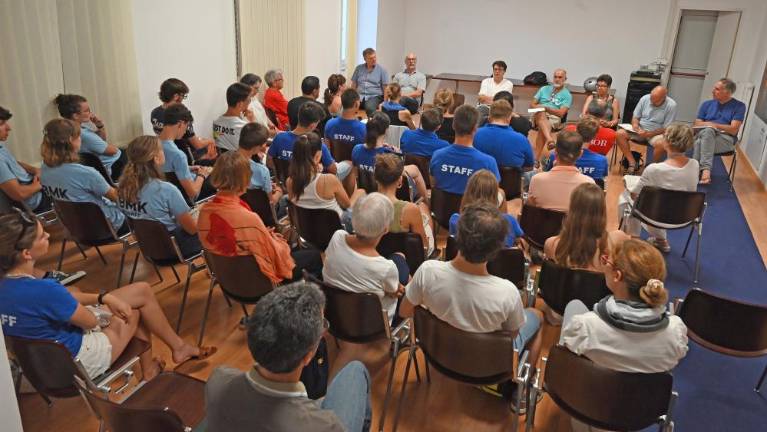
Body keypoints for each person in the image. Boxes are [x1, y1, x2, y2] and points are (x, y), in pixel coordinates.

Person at [0, 210, 214, 381]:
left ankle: (178, 349)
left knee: (141, 290)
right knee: (132, 311)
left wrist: (105, 299)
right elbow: (90, 322)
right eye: (41, 236)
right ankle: (151, 369)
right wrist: (106, 310)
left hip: (41, 366)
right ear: (26, 253)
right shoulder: (44, 289)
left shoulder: (11, 285)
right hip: (77, 361)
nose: (48, 235)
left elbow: (59, 299)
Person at [400, 203, 542, 378]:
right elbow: (512, 335)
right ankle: (519, 388)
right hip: (487, 367)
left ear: (457, 235)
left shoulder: (427, 272)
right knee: (538, 316)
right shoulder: (508, 292)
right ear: (497, 249)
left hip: (439, 354)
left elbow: (404, 310)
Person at [205, 282, 371, 432]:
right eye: (322, 326)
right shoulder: (325, 426)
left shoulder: (217, 380)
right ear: (308, 356)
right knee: (355, 370)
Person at [560, 239, 688, 372]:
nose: (604, 263)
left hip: (594, 384)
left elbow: (568, 355)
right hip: (644, 386)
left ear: (617, 275)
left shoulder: (585, 327)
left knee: (574, 306)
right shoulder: (675, 333)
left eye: (606, 261)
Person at [197, 152, 323, 282]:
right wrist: (275, 240)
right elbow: (273, 256)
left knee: (294, 245)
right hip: (257, 279)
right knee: (313, 255)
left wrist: (265, 235)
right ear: (244, 179)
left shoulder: (204, 213)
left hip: (228, 279)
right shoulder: (248, 219)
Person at [543, 183, 629, 324]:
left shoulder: (552, 244)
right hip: (600, 314)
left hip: (559, 310)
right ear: (602, 211)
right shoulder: (618, 240)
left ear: (572, 210)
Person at [323, 193, 410, 323]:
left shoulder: (337, 237)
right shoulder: (386, 267)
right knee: (400, 258)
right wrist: (393, 288)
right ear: (386, 229)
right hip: (374, 323)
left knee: (398, 259)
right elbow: (394, 292)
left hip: (338, 315)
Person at [618, 123, 698, 253]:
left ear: (666, 142)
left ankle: (634, 240)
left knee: (626, 197)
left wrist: (629, 185)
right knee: (660, 201)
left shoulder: (654, 169)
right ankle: (661, 240)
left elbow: (634, 195)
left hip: (655, 214)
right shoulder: (695, 164)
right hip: (684, 216)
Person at [117, 135, 201, 258]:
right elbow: (192, 229)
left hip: (148, 248)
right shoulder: (166, 190)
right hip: (175, 249)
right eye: (162, 149)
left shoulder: (122, 188)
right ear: (156, 158)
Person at [39, 119, 127, 234]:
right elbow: (118, 199)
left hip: (77, 230)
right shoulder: (86, 173)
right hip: (107, 228)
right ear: (71, 140)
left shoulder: (44, 169)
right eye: (79, 136)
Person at [286, 133, 364, 231]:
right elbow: (347, 205)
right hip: (336, 229)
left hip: (307, 230)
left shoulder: (289, 182)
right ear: (318, 156)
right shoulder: (329, 180)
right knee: (360, 192)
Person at [351, 113, 428, 202]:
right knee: (414, 170)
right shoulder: (390, 155)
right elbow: (397, 173)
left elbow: (356, 175)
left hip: (366, 192)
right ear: (386, 130)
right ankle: (426, 202)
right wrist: (398, 152)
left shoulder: (356, 149)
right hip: (385, 193)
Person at [268, 102, 352, 182]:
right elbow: (333, 170)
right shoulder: (318, 145)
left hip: (285, 184)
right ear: (312, 125)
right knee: (350, 164)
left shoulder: (279, 138)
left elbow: (269, 161)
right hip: (309, 186)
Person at [430, 105, 500, 195]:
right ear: (475, 129)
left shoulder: (437, 156)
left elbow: (433, 186)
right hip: (472, 204)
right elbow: (492, 194)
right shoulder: (488, 163)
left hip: (440, 204)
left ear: (453, 125)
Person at [53, 94, 126, 181]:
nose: (90, 113)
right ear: (75, 116)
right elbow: (113, 151)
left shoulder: (72, 128)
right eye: (86, 111)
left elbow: (101, 141)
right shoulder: (83, 134)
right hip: (112, 166)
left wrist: (99, 126)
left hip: (101, 164)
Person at [374, 154, 434, 255]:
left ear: (376, 178)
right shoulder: (410, 209)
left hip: (375, 255)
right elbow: (423, 247)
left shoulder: (364, 204)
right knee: (423, 207)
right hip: (405, 259)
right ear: (400, 181)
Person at [151, 78, 217, 164]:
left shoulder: (154, 113)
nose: (183, 99)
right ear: (176, 96)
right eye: (183, 96)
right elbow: (197, 145)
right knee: (214, 151)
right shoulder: (181, 116)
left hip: (164, 154)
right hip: (183, 156)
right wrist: (211, 141)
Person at [693, 78, 746, 184]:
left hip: (725, 139)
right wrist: (711, 126)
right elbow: (697, 124)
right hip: (704, 135)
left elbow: (733, 130)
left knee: (700, 142)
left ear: (727, 92)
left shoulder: (739, 106)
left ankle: (694, 172)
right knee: (708, 132)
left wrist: (713, 125)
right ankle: (705, 172)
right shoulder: (706, 104)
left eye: (717, 89)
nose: (713, 91)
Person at [449, 170, 521, 248]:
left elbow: (455, 245)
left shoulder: (456, 220)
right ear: (495, 194)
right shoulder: (510, 221)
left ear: (468, 192)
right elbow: (520, 243)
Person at [158, 104, 214, 201]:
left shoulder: (151, 145)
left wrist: (188, 168)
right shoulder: (178, 154)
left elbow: (167, 170)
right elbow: (193, 193)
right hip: (186, 197)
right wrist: (202, 175)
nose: (185, 132)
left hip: (165, 194)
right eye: (186, 126)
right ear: (180, 124)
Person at [528, 130, 595, 212]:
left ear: (555, 152)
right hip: (573, 221)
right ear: (580, 154)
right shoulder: (589, 183)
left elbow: (530, 209)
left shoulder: (537, 179)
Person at [615, 86, 677, 170]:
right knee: (619, 134)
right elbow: (635, 117)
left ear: (664, 98)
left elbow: (667, 128)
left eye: (655, 101)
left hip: (656, 134)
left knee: (662, 143)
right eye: (651, 98)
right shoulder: (645, 98)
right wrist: (635, 125)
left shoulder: (671, 105)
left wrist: (649, 134)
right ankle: (632, 162)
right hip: (640, 130)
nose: (651, 102)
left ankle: (651, 167)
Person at [0, 106, 49, 213]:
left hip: (36, 186)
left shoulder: (1, 146)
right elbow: (19, 194)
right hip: (38, 201)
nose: (8, 128)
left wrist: (35, 170)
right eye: (1, 124)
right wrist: (44, 181)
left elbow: (14, 162)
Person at [474, 100, 534, 172]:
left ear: (489, 117)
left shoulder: (474, 134)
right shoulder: (522, 139)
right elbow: (529, 167)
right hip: (511, 178)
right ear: (510, 118)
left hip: (479, 178)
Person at [547, 116, 609, 184]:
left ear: (575, 131)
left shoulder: (556, 156)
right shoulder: (602, 160)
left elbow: (548, 175)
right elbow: (601, 182)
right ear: (595, 136)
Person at [238, 122, 283, 206]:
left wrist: (267, 185)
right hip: (259, 210)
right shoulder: (262, 171)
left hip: (238, 205)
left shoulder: (225, 160)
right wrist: (279, 191)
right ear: (256, 148)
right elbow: (271, 202)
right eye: (264, 143)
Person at [530, 69, 573, 158]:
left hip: (554, 117)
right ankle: (550, 139)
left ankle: (536, 159)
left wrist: (547, 109)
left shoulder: (567, 95)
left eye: (560, 77)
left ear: (565, 79)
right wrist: (542, 108)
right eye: (555, 77)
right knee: (541, 111)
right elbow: (532, 105)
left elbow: (561, 113)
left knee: (542, 127)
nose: (557, 79)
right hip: (536, 113)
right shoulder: (544, 89)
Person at [212, 82, 255, 151]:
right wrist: (252, 122)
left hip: (222, 156)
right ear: (240, 104)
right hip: (240, 157)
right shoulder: (244, 127)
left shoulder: (216, 122)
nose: (249, 103)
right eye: (249, 100)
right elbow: (255, 145)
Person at [351, 48, 389, 116]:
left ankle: (377, 120)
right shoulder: (358, 68)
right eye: (371, 58)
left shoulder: (382, 70)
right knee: (348, 105)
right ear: (365, 59)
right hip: (359, 96)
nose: (374, 59)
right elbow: (354, 84)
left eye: (375, 57)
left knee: (369, 108)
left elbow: (385, 88)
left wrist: (385, 102)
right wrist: (351, 97)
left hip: (374, 96)